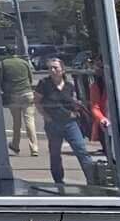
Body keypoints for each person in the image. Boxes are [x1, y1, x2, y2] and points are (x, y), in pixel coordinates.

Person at [34, 56, 96, 189]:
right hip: (53, 124)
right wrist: (46, 116)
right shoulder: (44, 84)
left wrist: (76, 111)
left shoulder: (69, 86)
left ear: (62, 70)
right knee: (55, 153)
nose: (52, 70)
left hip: (70, 123)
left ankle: (92, 181)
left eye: (55, 67)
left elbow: (76, 101)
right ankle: (58, 181)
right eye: (50, 68)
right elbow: (37, 102)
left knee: (81, 150)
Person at [0, 46, 38, 156]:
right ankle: (34, 148)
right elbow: (30, 78)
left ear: (7, 52)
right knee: (30, 121)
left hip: (13, 94)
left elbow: (0, 79)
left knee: (17, 122)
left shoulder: (3, 63)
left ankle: (15, 145)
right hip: (27, 92)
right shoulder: (24, 62)